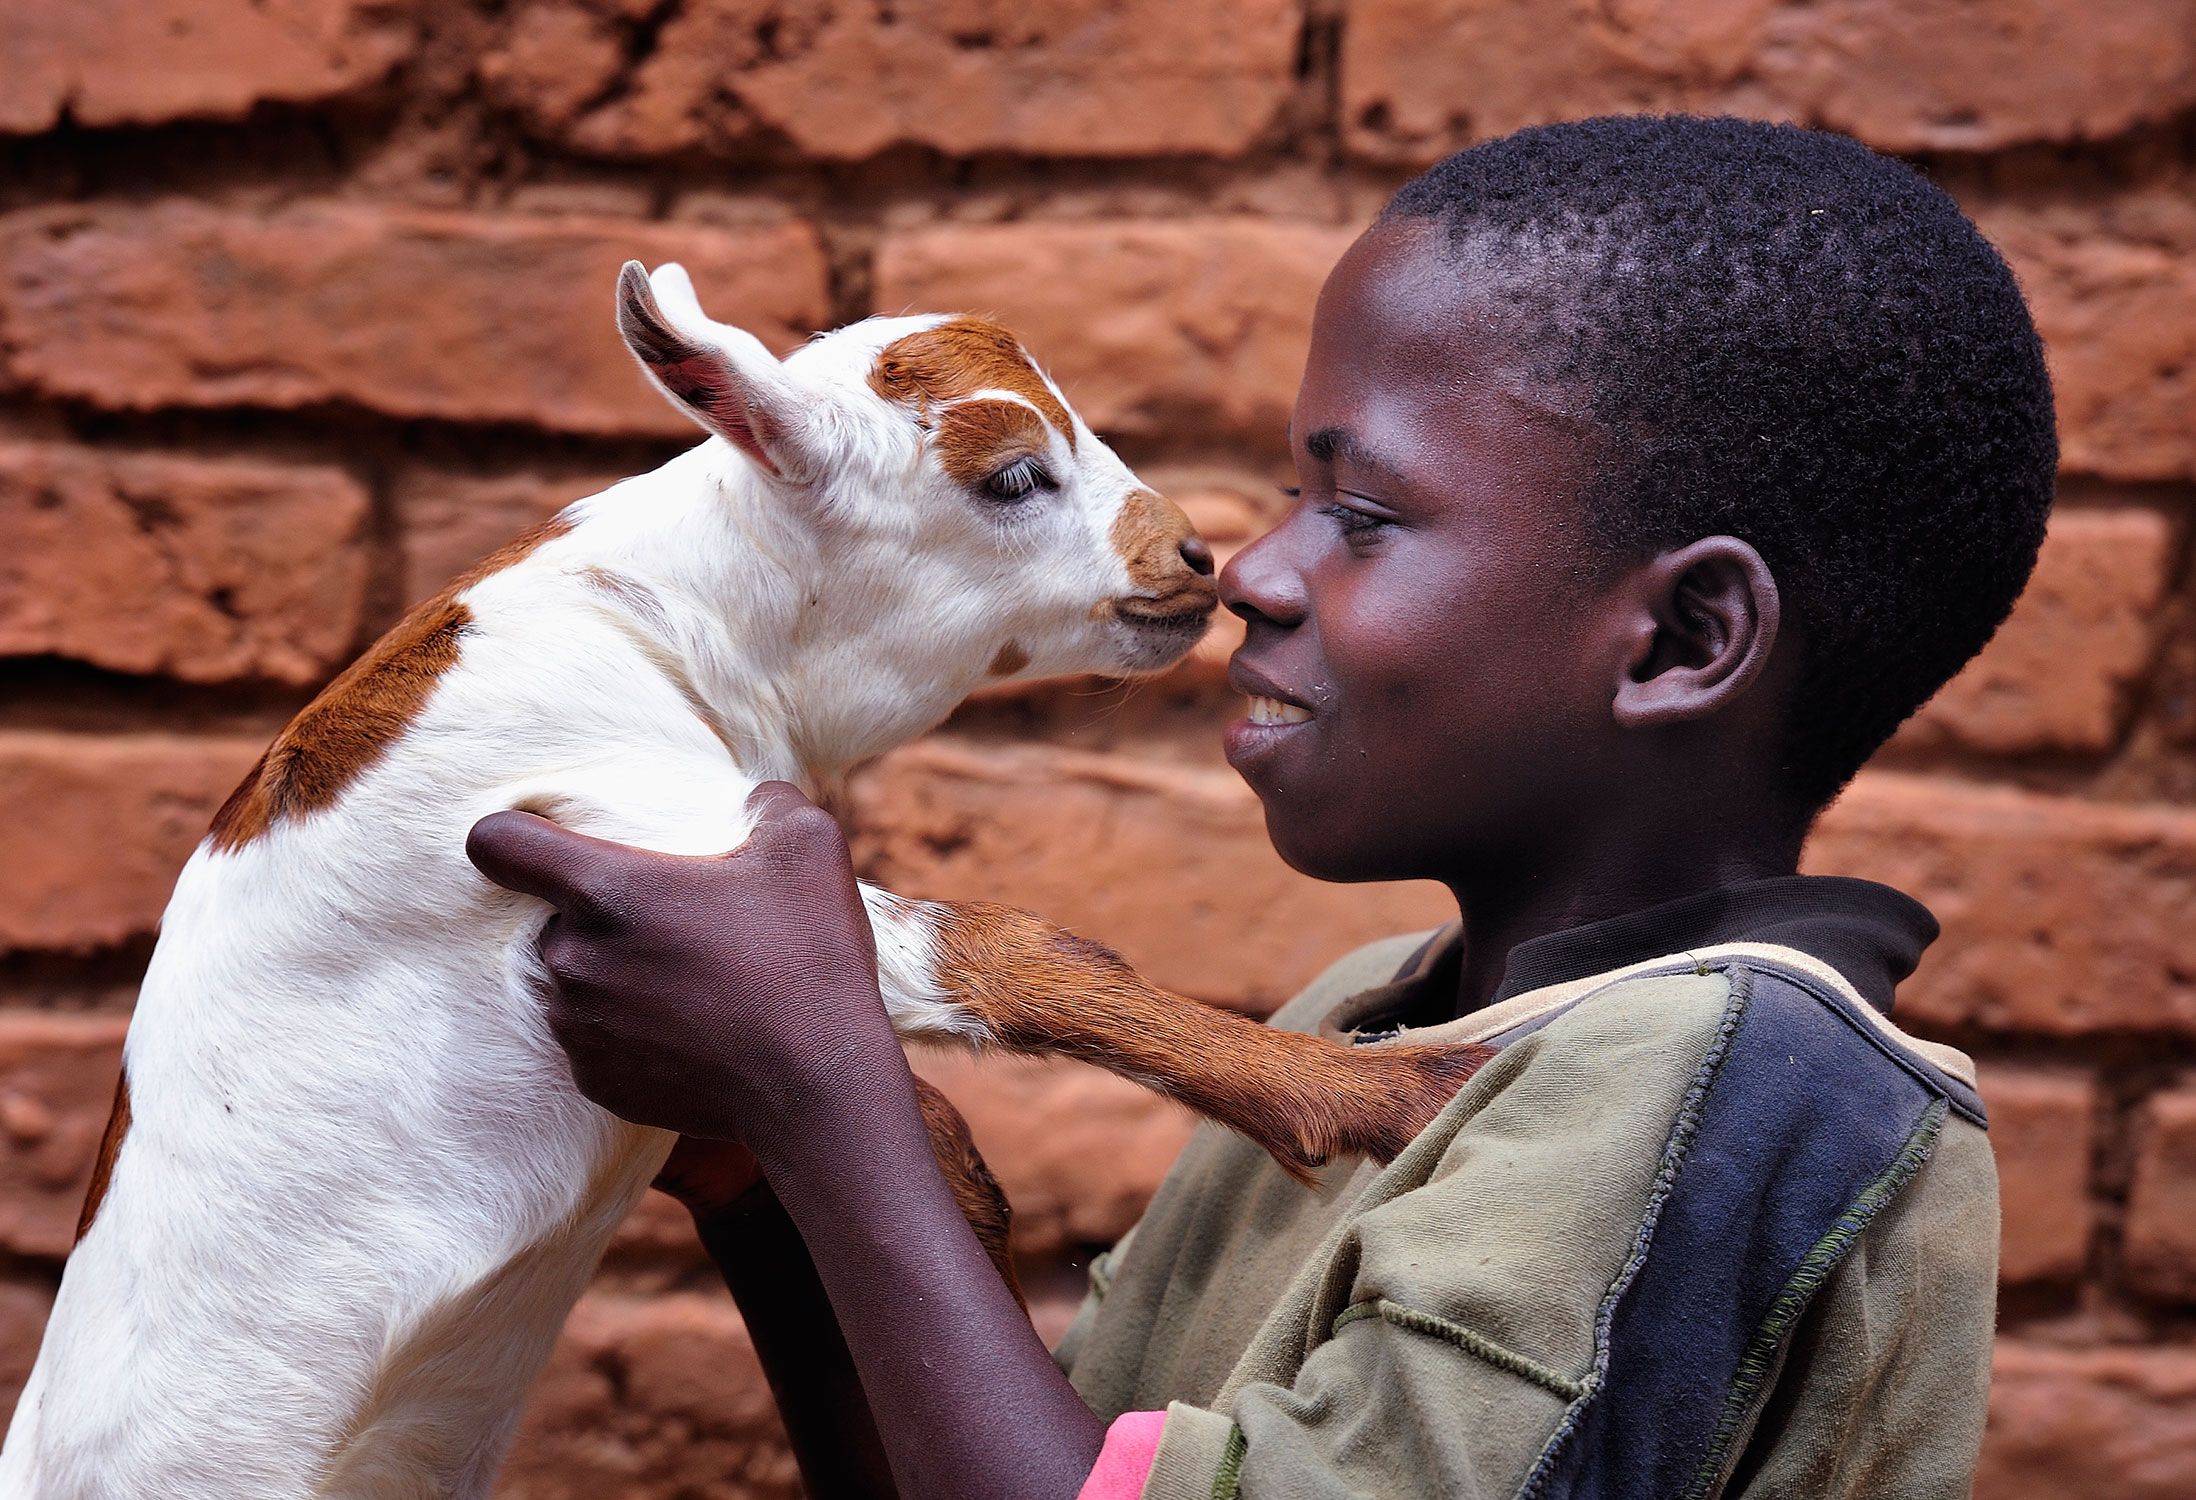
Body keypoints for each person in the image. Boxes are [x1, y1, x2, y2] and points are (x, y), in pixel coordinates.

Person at [466, 115, 2056, 1500]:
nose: (1257, 569)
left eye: (1359, 515)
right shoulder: (1360, 1027)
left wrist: (821, 1080)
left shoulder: (1744, 1083)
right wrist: (757, 1141)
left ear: (1683, 641)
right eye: (1297, 494)